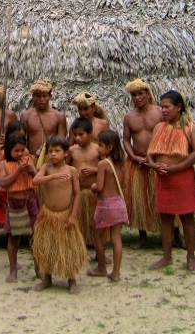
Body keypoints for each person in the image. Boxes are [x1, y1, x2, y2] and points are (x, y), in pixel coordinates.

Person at [123, 78, 184, 249]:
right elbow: (126, 140)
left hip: (159, 163)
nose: (137, 98)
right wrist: (133, 156)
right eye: (133, 95)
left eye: (140, 94)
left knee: (168, 198)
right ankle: (142, 236)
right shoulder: (129, 117)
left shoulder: (160, 112)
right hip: (138, 163)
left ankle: (176, 234)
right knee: (139, 200)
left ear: (148, 94)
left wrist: (158, 159)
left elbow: (173, 130)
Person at [147, 90, 195, 272]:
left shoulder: (192, 128)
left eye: (167, 107)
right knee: (165, 218)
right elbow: (150, 152)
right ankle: (167, 256)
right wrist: (153, 165)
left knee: (187, 217)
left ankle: (191, 257)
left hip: (183, 177)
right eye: (161, 107)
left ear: (178, 107)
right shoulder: (158, 128)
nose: (163, 110)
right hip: (163, 178)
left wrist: (177, 168)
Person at [32, 135, 87, 294]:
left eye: (57, 151)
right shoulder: (46, 168)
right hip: (48, 215)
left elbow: (77, 194)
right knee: (48, 247)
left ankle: (72, 279)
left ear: (66, 154)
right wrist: (54, 176)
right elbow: (35, 181)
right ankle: (47, 278)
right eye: (50, 151)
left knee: (68, 248)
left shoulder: (71, 170)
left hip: (64, 215)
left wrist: (73, 215)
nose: (53, 154)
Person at [0, 120, 28, 271]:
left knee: (16, 229)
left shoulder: (24, 153)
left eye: (22, 136)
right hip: (1, 194)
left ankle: (13, 262)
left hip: (17, 196)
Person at [0, 131, 40, 283]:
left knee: (35, 236)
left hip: (30, 200)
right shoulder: (3, 164)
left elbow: (38, 179)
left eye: (22, 150)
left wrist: (32, 170)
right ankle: (13, 270)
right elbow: (3, 182)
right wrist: (18, 171)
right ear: (9, 149)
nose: (20, 153)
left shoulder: (28, 160)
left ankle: (38, 268)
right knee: (14, 237)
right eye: (16, 150)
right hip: (15, 203)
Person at [89, 130, 128, 281]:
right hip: (118, 203)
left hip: (105, 205)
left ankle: (101, 268)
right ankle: (116, 273)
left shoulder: (103, 164)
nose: (97, 148)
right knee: (116, 238)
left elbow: (98, 188)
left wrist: (92, 186)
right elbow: (124, 184)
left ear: (109, 147)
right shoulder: (121, 163)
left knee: (97, 236)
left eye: (100, 145)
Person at [67, 117, 106, 249]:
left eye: (81, 135)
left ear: (90, 134)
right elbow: (65, 167)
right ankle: (79, 245)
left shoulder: (98, 150)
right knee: (80, 220)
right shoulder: (72, 150)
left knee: (94, 221)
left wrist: (94, 170)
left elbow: (107, 167)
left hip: (93, 192)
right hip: (77, 192)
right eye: (75, 135)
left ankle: (97, 247)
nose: (77, 138)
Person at [20, 78, 67, 168]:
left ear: (50, 97)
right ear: (33, 97)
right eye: (38, 96)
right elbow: (22, 141)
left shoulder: (59, 116)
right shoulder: (26, 115)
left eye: (44, 96)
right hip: (31, 159)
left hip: (52, 159)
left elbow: (62, 142)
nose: (41, 99)